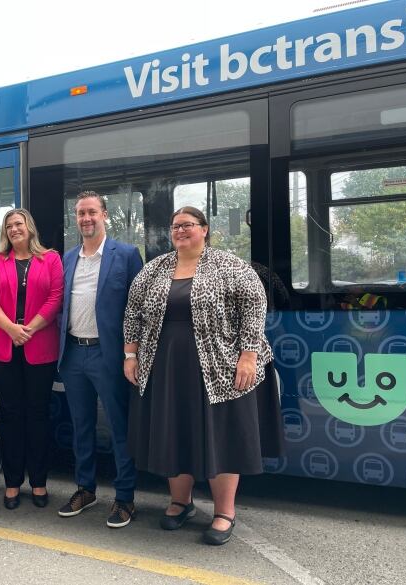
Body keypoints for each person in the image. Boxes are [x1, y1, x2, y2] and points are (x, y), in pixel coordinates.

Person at [123, 206, 282, 545]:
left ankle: (225, 512)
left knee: (221, 438)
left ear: (205, 230)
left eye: (189, 225)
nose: (181, 231)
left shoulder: (230, 265)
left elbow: (254, 308)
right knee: (173, 432)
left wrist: (248, 356)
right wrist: (130, 355)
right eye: (176, 226)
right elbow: (133, 312)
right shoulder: (155, 269)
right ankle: (181, 502)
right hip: (165, 368)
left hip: (220, 368)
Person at [57, 191, 143, 528]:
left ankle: (125, 498)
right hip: (74, 352)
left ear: (104, 215)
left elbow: (138, 309)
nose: (86, 219)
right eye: (80, 213)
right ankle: (85, 488)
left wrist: (131, 354)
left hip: (110, 354)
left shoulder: (126, 254)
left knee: (120, 427)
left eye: (92, 212)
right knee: (81, 427)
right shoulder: (67, 259)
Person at [0, 209, 63, 510]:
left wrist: (30, 328)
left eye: (19, 224)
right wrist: (11, 328)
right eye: (9, 225)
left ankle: (39, 482)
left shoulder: (50, 259)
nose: (14, 229)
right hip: (3, 346)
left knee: (38, 415)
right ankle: (12, 482)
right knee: (11, 415)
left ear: (30, 228)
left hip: (39, 344)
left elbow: (56, 297)